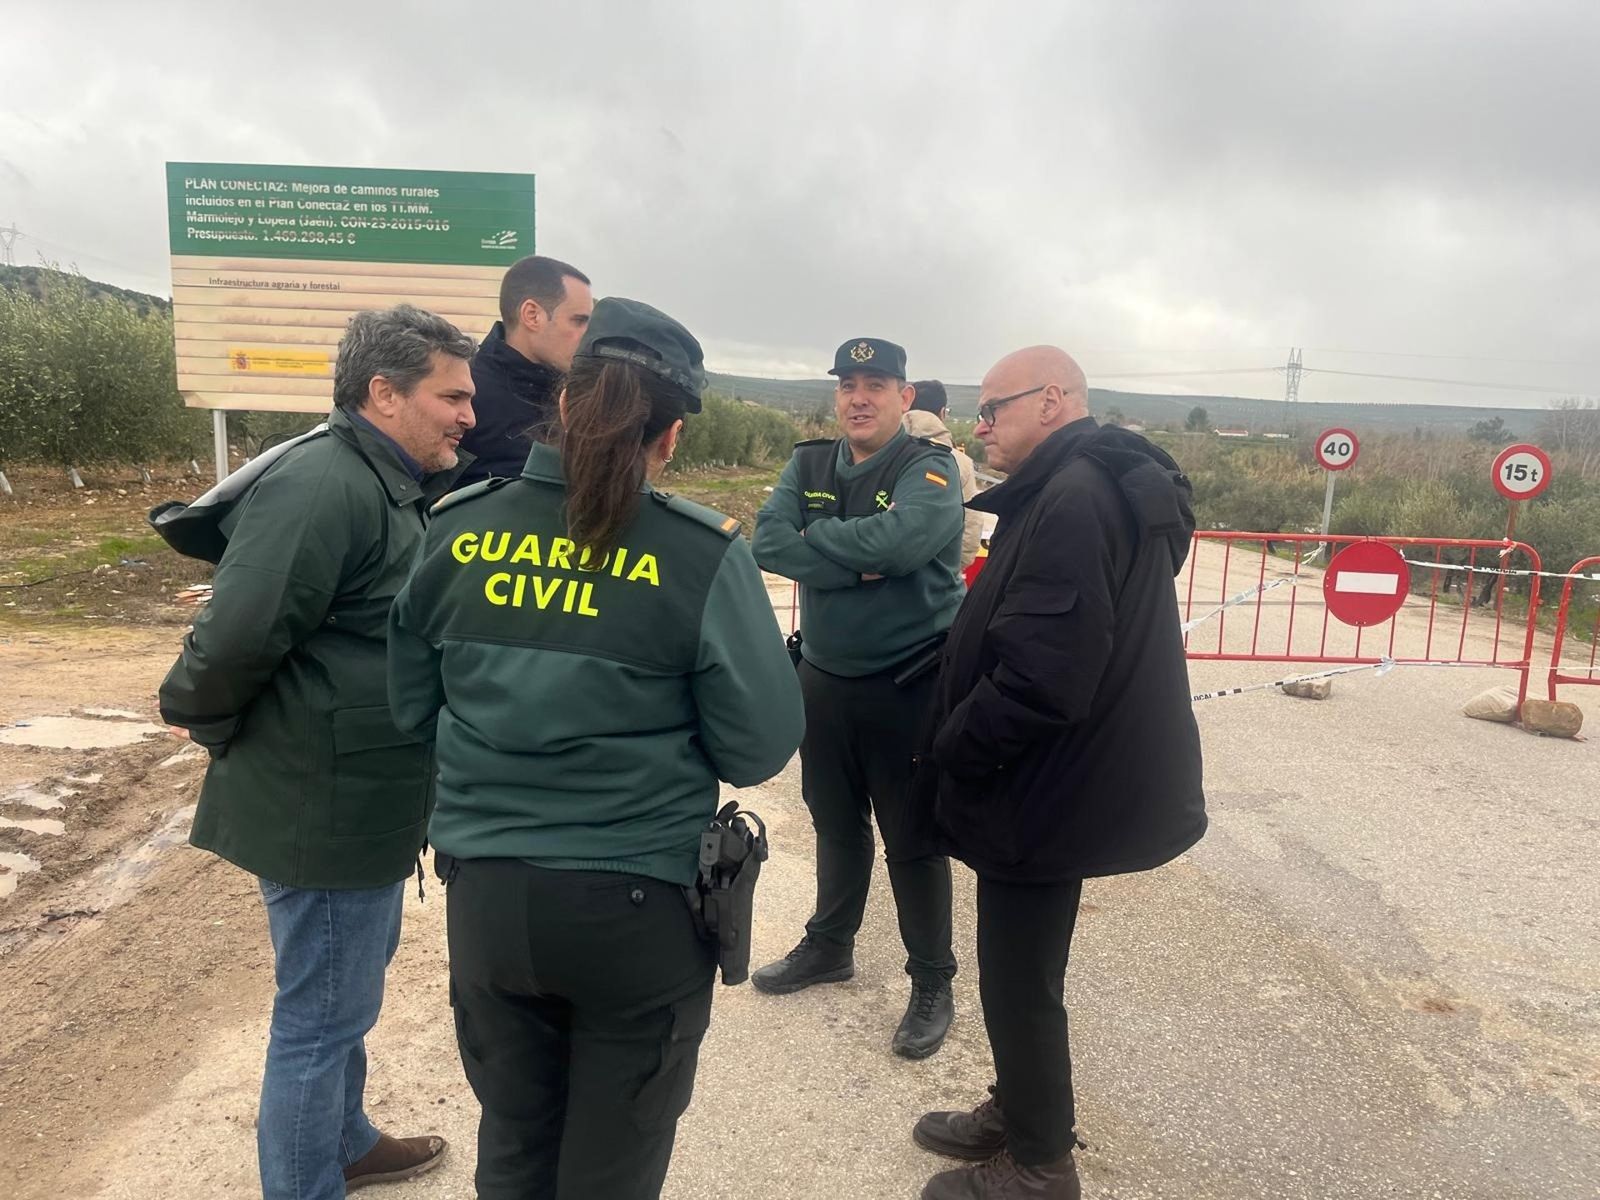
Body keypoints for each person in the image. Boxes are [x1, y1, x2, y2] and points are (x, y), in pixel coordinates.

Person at [387, 297, 805, 1200]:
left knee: (513, 1148)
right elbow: (760, 743)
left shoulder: (459, 528)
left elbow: (410, 706)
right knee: (611, 1171)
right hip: (637, 911)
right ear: (674, 435)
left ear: (567, 406)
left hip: (489, 902)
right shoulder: (699, 556)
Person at [158, 305, 479, 1200]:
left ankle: (345, 1140)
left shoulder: (379, 479)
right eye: (451, 396)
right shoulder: (326, 483)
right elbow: (235, 636)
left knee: (343, 1003)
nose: (468, 416)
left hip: (359, 795)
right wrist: (203, 719)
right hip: (323, 801)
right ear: (385, 392)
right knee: (319, 1020)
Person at [911, 346, 1207, 1200]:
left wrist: (952, 746)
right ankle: (1020, 1107)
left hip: (1045, 786)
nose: (980, 424)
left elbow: (1045, 676)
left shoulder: (1075, 497)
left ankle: (1041, 1165)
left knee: (1018, 976)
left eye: (992, 407)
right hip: (1060, 777)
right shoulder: (1086, 483)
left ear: (1051, 401)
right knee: (1023, 969)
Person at [750, 337, 965, 1059]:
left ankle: (933, 981)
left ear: (906, 397)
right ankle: (830, 946)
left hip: (909, 683)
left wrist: (825, 543)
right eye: (847, 385)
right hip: (824, 677)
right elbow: (768, 543)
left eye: (876, 383)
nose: (859, 397)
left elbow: (904, 545)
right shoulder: (810, 462)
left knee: (911, 839)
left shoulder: (928, 466)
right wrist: (855, 565)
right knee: (834, 822)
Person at [455, 255, 593, 485]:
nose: (588, 335)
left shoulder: (578, 396)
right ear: (532, 315)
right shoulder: (465, 391)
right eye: (578, 321)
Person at [903, 379, 984, 569]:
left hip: (877, 579)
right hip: (937, 584)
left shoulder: (879, 450)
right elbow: (970, 527)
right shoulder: (960, 462)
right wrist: (950, 571)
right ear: (942, 412)